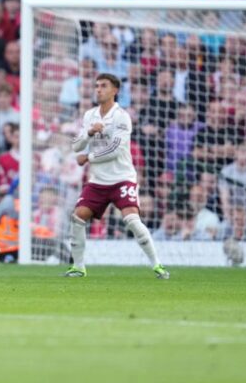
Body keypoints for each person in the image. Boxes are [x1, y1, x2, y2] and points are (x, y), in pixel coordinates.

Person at [67, 74, 170, 279]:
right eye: (96, 86)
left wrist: (88, 157)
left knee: (132, 219)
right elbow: (75, 145)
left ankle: (157, 265)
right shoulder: (90, 116)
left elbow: (116, 148)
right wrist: (88, 133)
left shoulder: (121, 116)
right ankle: (78, 267)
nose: (98, 90)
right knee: (78, 217)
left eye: (103, 86)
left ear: (115, 91)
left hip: (122, 177)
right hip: (97, 181)